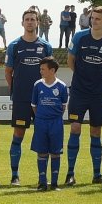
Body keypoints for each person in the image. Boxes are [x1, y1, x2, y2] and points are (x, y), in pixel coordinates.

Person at [66, 5, 102, 187]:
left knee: (96, 132)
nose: (94, 21)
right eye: (92, 17)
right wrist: (81, 78)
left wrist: (100, 83)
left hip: (98, 94)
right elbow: (70, 61)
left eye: (98, 18)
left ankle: (97, 174)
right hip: (78, 92)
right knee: (75, 128)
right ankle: (70, 174)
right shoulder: (79, 36)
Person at [3, 8, 51, 186]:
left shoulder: (45, 46)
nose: (30, 22)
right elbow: (8, 71)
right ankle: (15, 175)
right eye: (27, 19)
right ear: (22, 23)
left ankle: (42, 176)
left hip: (42, 100)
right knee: (18, 134)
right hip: (22, 98)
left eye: (33, 19)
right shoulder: (14, 45)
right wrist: (15, 89)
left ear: (38, 22)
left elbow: (50, 72)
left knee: (43, 136)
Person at [29, 57, 68, 191]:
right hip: (40, 122)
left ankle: (55, 183)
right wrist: (41, 116)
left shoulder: (61, 86)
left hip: (56, 123)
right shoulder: (37, 85)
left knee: (55, 152)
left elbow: (63, 106)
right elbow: (34, 105)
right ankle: (42, 182)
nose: (40, 71)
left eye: (43, 69)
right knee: (42, 152)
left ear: (52, 70)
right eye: (40, 69)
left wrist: (53, 116)